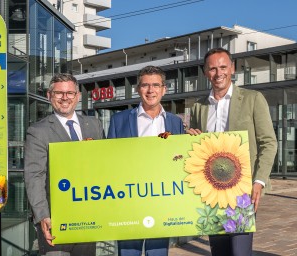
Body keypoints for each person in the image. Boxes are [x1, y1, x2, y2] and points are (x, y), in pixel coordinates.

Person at [188, 48, 277, 256]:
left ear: (232, 68)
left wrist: (259, 181)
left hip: (243, 191)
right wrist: (192, 138)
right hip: (212, 192)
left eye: (223, 67)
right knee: (219, 252)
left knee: (240, 252)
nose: (218, 73)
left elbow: (269, 142)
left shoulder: (253, 99)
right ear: (205, 73)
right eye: (212, 68)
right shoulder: (199, 107)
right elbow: (197, 149)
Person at [24, 73, 105, 256]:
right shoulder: (38, 131)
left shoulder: (94, 125)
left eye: (70, 93)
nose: (65, 98)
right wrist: (43, 215)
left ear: (78, 96)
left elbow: (103, 167)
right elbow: (34, 176)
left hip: (88, 217)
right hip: (55, 220)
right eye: (59, 93)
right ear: (49, 96)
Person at [108, 65, 184, 256]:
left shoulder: (175, 123)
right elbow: (110, 162)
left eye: (156, 85)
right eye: (145, 85)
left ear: (164, 89)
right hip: (128, 202)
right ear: (137, 89)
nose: (151, 91)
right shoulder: (119, 121)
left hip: (162, 202)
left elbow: (180, 162)